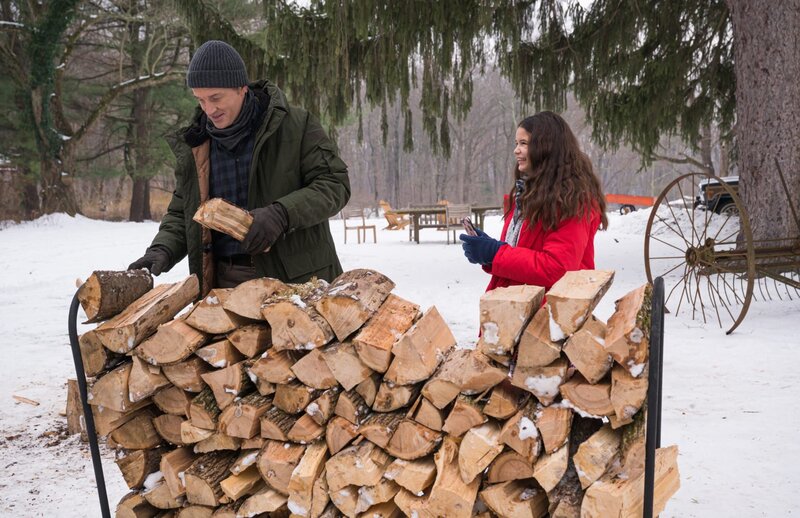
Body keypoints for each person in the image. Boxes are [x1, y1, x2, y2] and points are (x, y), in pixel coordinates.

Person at [128, 40, 350, 295]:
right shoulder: (197, 145)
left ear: (242, 88)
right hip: (224, 283)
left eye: (216, 98)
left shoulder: (296, 126)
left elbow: (335, 184)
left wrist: (282, 214)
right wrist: (161, 250)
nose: (209, 109)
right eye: (200, 100)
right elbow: (183, 212)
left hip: (298, 280)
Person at [460, 111, 607, 292]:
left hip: (548, 314)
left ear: (546, 148)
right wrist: (488, 251)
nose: (516, 150)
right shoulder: (526, 195)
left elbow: (557, 269)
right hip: (515, 307)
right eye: (516, 143)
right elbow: (520, 256)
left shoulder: (573, 201)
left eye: (524, 143)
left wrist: (496, 252)